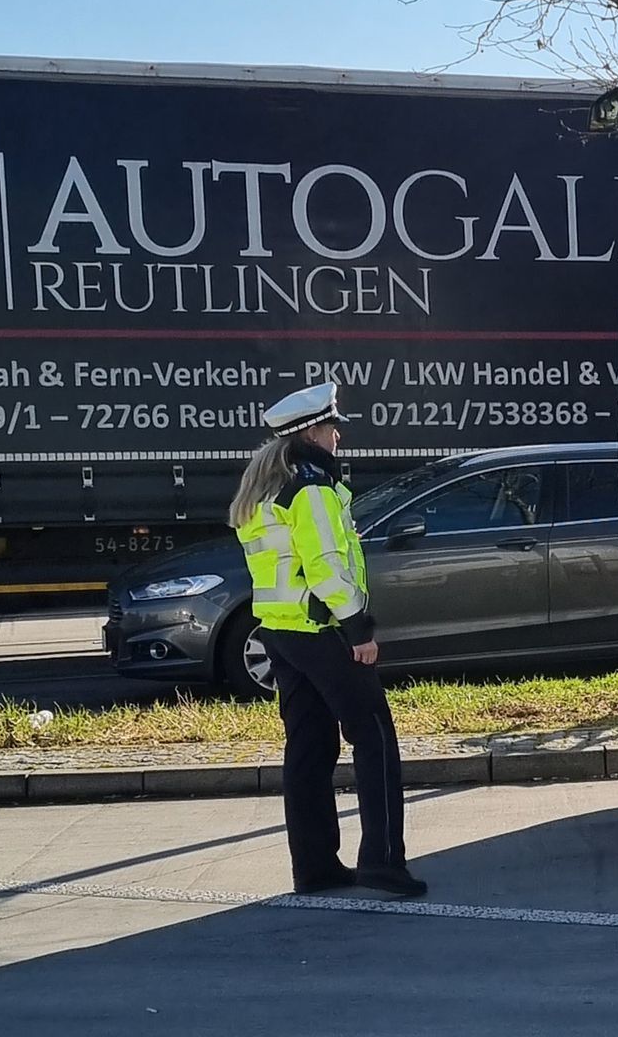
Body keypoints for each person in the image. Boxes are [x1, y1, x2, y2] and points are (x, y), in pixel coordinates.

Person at [227, 382, 426, 898]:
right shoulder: (311, 489)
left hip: (281, 633)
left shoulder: (265, 489)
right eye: (333, 427)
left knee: (309, 749)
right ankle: (383, 862)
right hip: (324, 632)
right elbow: (325, 566)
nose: (338, 436)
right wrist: (357, 627)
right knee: (375, 739)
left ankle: (314, 868)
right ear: (313, 432)